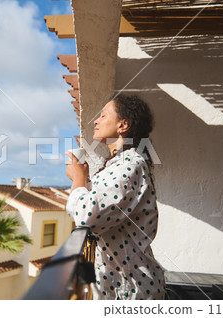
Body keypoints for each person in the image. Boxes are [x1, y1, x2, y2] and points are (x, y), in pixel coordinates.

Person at [65, 94, 165, 300]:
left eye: (103, 115)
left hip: (132, 293)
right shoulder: (116, 166)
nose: (96, 120)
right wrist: (82, 179)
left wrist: (77, 179)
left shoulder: (129, 164)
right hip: (118, 289)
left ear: (123, 125)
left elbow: (86, 216)